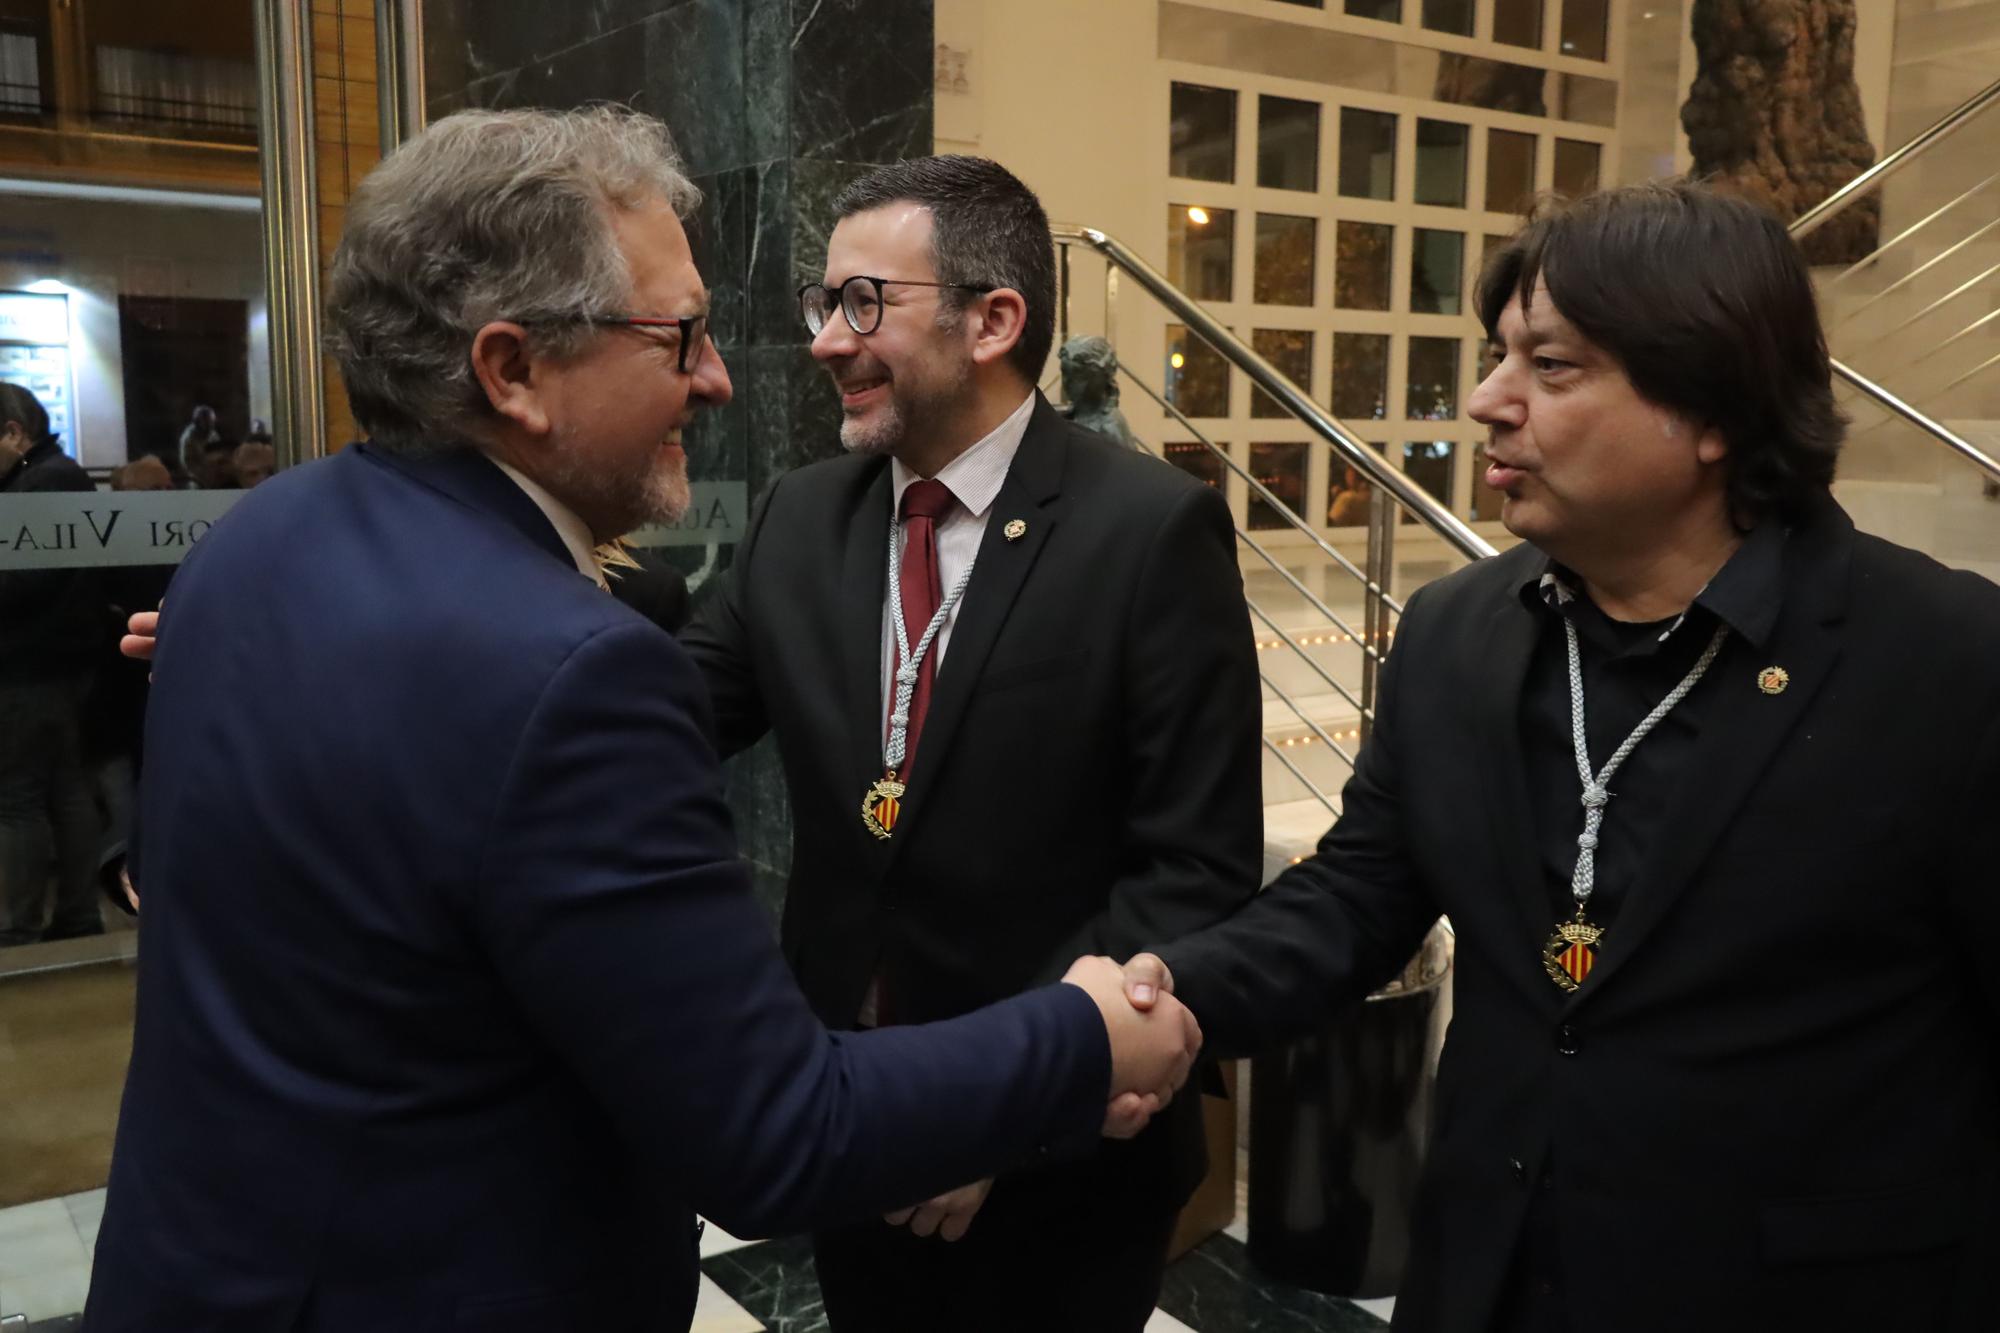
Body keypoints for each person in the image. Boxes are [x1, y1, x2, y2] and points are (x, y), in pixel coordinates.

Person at [84, 108, 1202, 1333]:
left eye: (859, 305)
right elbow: (771, 1132)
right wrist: (1080, 1040)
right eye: (679, 333)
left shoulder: (251, 548)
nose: (724, 374)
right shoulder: (591, 660)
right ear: (510, 371)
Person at [1118, 181, 2000, 1332]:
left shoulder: (1943, 666)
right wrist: (1160, 995)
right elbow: (1352, 901)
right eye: (1495, 357)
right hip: (1487, 1280)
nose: (1487, 401)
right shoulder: (1452, 637)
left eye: (1550, 365)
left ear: (1710, 407)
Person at [679, 156, 1262, 1330]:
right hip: (853, 1119)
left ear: (993, 318)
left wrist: (1002, 1109)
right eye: (820, 302)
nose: (826, 343)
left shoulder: (1147, 533)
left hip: (1066, 1158)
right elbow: (670, 706)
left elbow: (1192, 871)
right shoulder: (804, 517)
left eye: (863, 304)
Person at [0, 381, 105, 946]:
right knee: (63, 789)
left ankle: (18, 926)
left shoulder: (47, 481)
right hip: (52, 663)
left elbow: (26, 581)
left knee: (19, 797)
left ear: (14, 433)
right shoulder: (45, 476)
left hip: (33, 664)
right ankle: (75, 915)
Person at [175, 403, 220, 483]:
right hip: (197, 479)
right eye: (206, 422)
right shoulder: (189, 438)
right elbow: (187, 463)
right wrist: (203, 474)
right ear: (197, 422)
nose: (210, 425)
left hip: (214, 477)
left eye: (211, 422)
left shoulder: (213, 435)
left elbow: (218, 454)